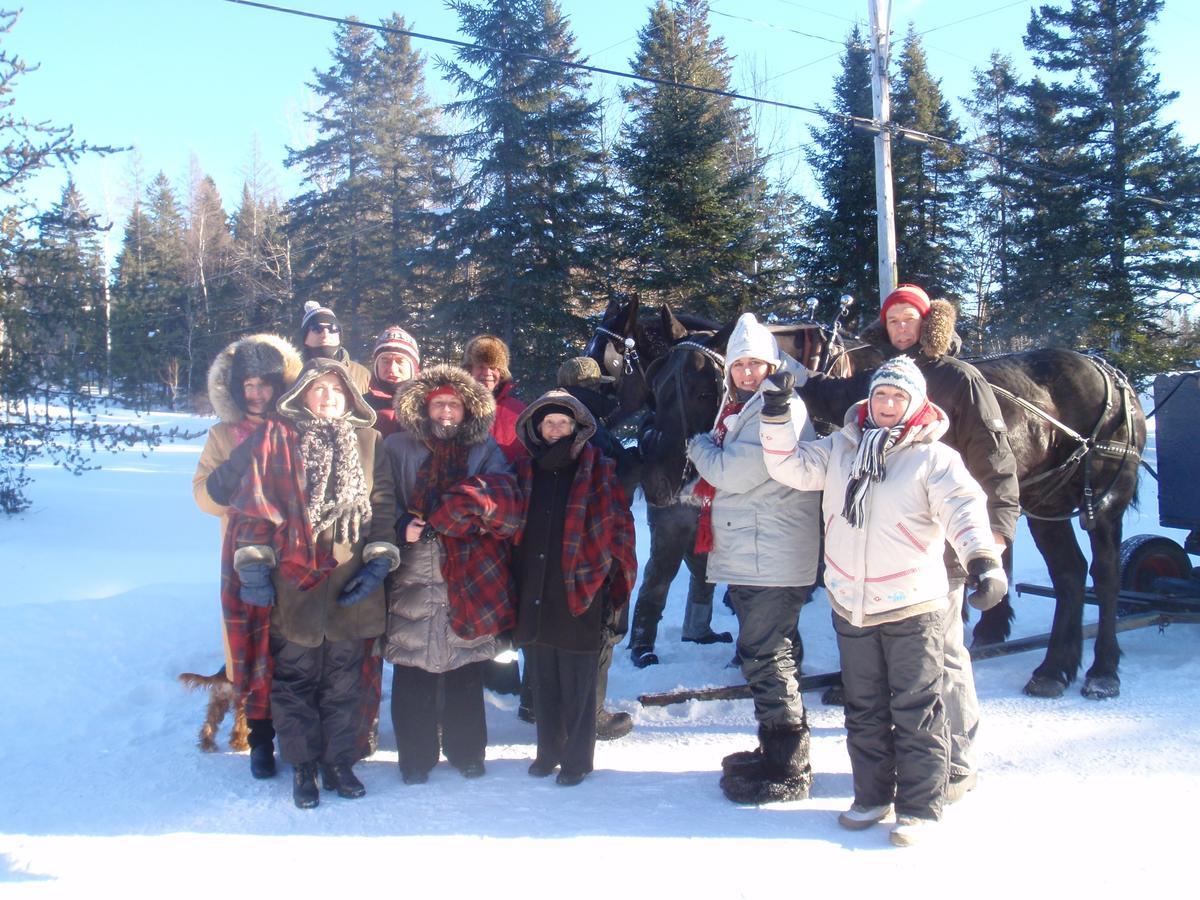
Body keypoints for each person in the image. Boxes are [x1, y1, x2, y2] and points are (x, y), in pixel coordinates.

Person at [759, 356, 1007, 845]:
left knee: (917, 709)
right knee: (864, 706)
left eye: (897, 396)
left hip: (914, 604)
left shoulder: (933, 459)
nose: (887, 404)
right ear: (868, 401)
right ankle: (871, 795)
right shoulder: (841, 449)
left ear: (915, 402)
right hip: (851, 601)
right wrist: (775, 410)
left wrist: (982, 560)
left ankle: (920, 807)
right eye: (880, 395)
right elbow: (788, 465)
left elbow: (965, 510)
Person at [797, 283, 1020, 802]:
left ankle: (958, 761)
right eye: (892, 321)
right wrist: (790, 380)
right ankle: (904, 762)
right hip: (883, 552)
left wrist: (994, 537)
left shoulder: (957, 379)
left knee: (943, 656)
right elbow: (832, 398)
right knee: (891, 669)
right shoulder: (878, 379)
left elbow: (993, 458)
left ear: (929, 323)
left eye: (909, 319)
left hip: (944, 548)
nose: (901, 329)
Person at [227, 358, 400, 809]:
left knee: (346, 683)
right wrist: (254, 569)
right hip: (295, 584)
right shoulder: (277, 440)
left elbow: (382, 502)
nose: (328, 397)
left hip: (352, 584)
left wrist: (379, 559)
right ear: (302, 394)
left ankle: (338, 762)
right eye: (319, 389)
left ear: (350, 398)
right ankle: (303, 764)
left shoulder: (369, 440)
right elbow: (256, 507)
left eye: (336, 391)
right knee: (294, 681)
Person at [684, 313, 822, 804]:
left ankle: (789, 765)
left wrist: (698, 445)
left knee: (767, 654)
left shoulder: (776, 407)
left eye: (755, 363)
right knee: (769, 652)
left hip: (773, 555)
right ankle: (777, 750)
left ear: (771, 364)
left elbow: (733, 472)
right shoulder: (744, 407)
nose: (746, 372)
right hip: (759, 551)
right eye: (739, 364)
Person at [383, 364, 515, 785]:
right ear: (424, 406)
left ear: (466, 410)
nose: (445, 412)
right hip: (412, 568)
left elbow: (505, 497)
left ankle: (467, 752)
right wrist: (400, 524)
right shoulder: (398, 448)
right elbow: (379, 501)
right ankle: (415, 758)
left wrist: (469, 514)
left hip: (469, 567)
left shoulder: (484, 448)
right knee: (412, 665)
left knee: (465, 666)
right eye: (438, 403)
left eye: (453, 405)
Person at [511, 389, 637, 786]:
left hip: (582, 585)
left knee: (579, 681)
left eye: (563, 422)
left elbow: (617, 526)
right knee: (542, 676)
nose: (556, 429)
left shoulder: (598, 467)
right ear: (537, 427)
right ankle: (548, 752)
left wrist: (613, 581)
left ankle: (577, 760)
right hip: (536, 583)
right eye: (549, 422)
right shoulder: (526, 469)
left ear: (578, 427)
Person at [193, 332, 301, 780]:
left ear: (279, 387)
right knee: (251, 649)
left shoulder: (299, 428)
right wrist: (239, 462)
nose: (256, 395)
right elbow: (204, 497)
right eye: (248, 386)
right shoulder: (222, 435)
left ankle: (296, 734)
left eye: (264, 385)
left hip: (295, 553)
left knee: (293, 649)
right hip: (241, 556)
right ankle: (260, 739)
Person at [557, 356, 639, 741]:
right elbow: (617, 470)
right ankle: (590, 714)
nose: (607, 390)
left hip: (569, 539)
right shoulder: (587, 423)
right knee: (600, 624)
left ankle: (544, 706)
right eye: (600, 385)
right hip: (596, 539)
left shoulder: (557, 417)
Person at [462, 333, 527, 463]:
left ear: (501, 372)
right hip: (464, 482)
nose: (487, 373)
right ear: (470, 370)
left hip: (507, 481)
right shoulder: (454, 407)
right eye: (481, 367)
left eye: (493, 367)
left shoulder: (520, 411)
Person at [297, 301, 371, 395]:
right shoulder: (291, 373)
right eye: (317, 328)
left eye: (333, 328)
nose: (325, 334)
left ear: (340, 337)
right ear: (305, 337)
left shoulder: (362, 375)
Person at [365, 325, 420, 438]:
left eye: (400, 361)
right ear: (376, 365)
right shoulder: (361, 405)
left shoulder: (429, 404)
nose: (392, 369)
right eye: (385, 361)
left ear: (413, 367)